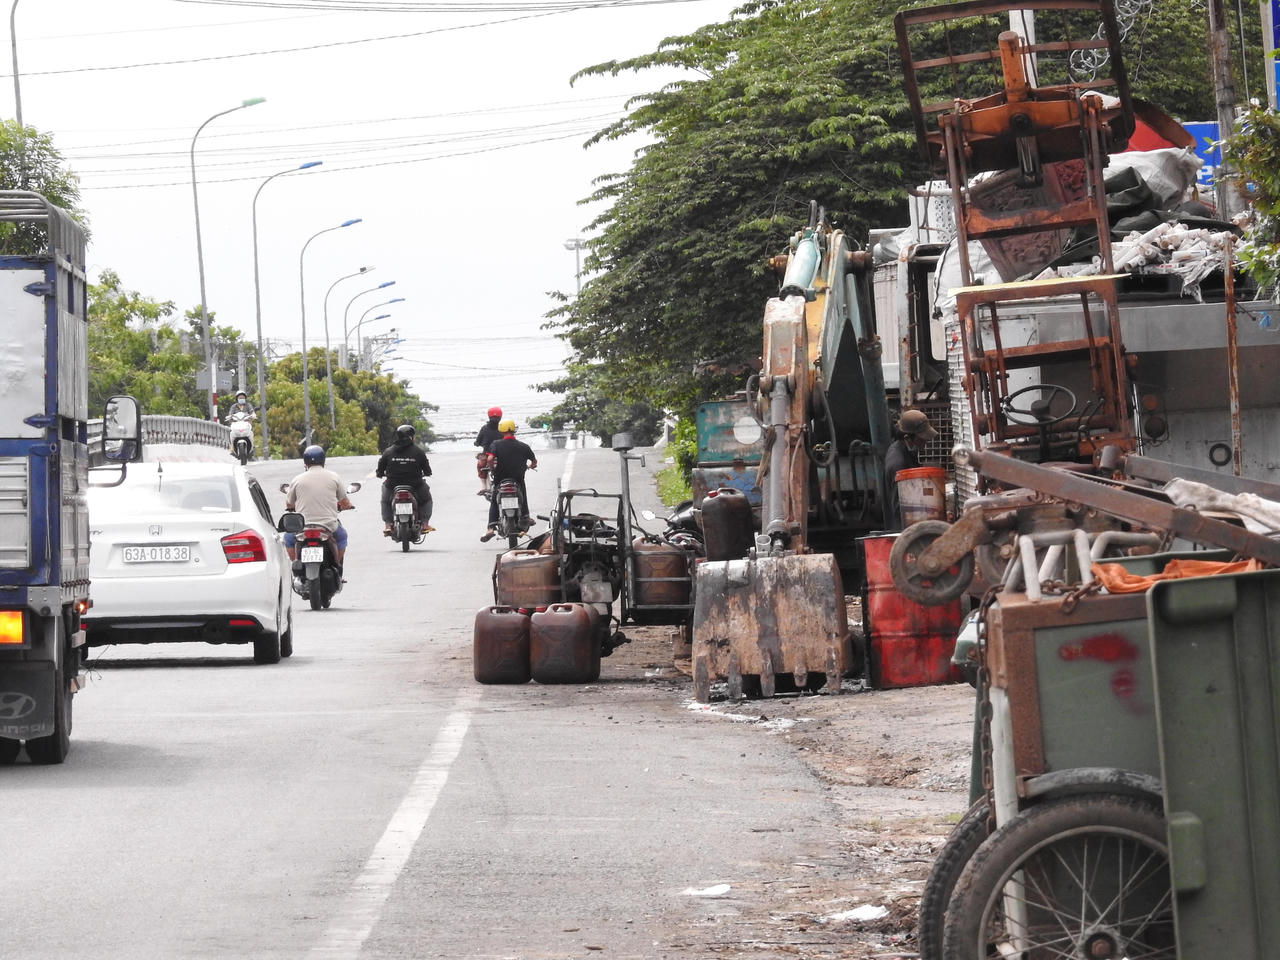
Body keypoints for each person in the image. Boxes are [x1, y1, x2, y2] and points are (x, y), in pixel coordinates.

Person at [284, 445, 355, 568]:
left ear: (305, 462)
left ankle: (296, 565)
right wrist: (348, 506)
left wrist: (292, 507)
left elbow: (289, 503)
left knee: (288, 539)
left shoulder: (297, 479)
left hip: (302, 526)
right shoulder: (334, 477)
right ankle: (336, 565)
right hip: (328, 526)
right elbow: (344, 502)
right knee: (342, 537)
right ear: (323, 460)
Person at [480, 419, 537, 542]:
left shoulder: (496, 444)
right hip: (517, 479)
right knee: (523, 496)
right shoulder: (524, 446)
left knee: (495, 501)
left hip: (501, 478)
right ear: (514, 430)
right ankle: (525, 518)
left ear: (501, 430)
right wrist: (531, 466)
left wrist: (492, 468)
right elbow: (534, 461)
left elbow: (490, 459)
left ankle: (490, 528)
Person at [883, 409, 938, 531]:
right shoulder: (898, 463)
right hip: (904, 531)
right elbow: (900, 509)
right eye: (921, 439)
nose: (925, 443)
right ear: (907, 437)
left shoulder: (903, 449)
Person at [376, 424, 434, 535]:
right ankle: (425, 524)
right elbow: (427, 470)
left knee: (385, 501)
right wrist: (427, 473)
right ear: (411, 437)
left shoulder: (389, 451)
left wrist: (379, 474)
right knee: (426, 500)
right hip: (415, 485)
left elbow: (380, 467)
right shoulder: (418, 452)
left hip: (392, 485)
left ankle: (388, 525)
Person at [473, 405, 503, 494]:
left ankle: (484, 486)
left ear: (489, 416)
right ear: (500, 417)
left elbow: (478, 441)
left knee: (480, 465)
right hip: (502, 454)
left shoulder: (484, 428)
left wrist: (477, 443)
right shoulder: (503, 427)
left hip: (487, 455)